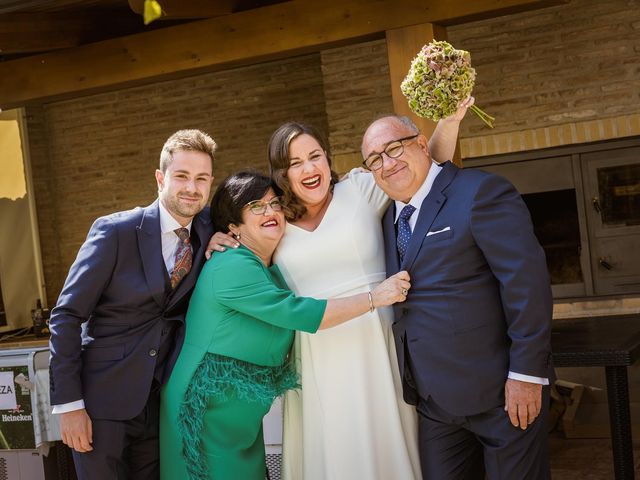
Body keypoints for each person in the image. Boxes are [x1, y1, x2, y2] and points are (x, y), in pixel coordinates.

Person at [209, 108, 464, 479]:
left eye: (315, 157)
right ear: (283, 174)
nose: (309, 169)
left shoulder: (360, 190)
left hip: (378, 343)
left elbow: (423, 167)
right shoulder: (274, 223)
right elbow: (238, 239)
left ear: (328, 160)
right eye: (295, 163)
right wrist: (216, 236)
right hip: (316, 355)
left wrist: (450, 122)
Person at [159, 171, 411, 480]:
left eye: (275, 203)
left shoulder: (267, 265)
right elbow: (299, 313)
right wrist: (374, 297)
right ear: (233, 225)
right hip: (204, 413)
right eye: (256, 206)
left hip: (241, 417)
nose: (271, 212)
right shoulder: (232, 265)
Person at [361, 114, 554, 479]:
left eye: (394, 148)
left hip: (503, 396)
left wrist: (528, 374)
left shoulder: (481, 193)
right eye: (375, 159)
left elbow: (526, 285)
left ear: (421, 143)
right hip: (434, 405)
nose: (387, 163)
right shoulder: (386, 218)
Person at [48, 129, 217, 479]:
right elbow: (66, 316)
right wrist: (69, 406)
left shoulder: (206, 230)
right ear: (160, 178)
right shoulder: (115, 232)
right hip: (100, 407)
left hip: (160, 408)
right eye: (182, 176)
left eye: (202, 178)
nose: (192, 188)